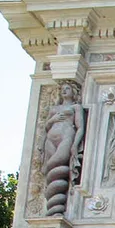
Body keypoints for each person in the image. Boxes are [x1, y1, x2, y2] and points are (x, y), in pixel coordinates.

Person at [42, 81, 84, 216]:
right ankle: (52, 210)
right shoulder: (55, 108)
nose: (64, 91)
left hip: (66, 136)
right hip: (51, 138)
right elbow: (46, 126)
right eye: (63, 89)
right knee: (50, 166)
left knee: (59, 163)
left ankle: (56, 212)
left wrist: (75, 144)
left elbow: (80, 127)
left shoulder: (76, 107)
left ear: (74, 92)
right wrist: (53, 119)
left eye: (68, 89)